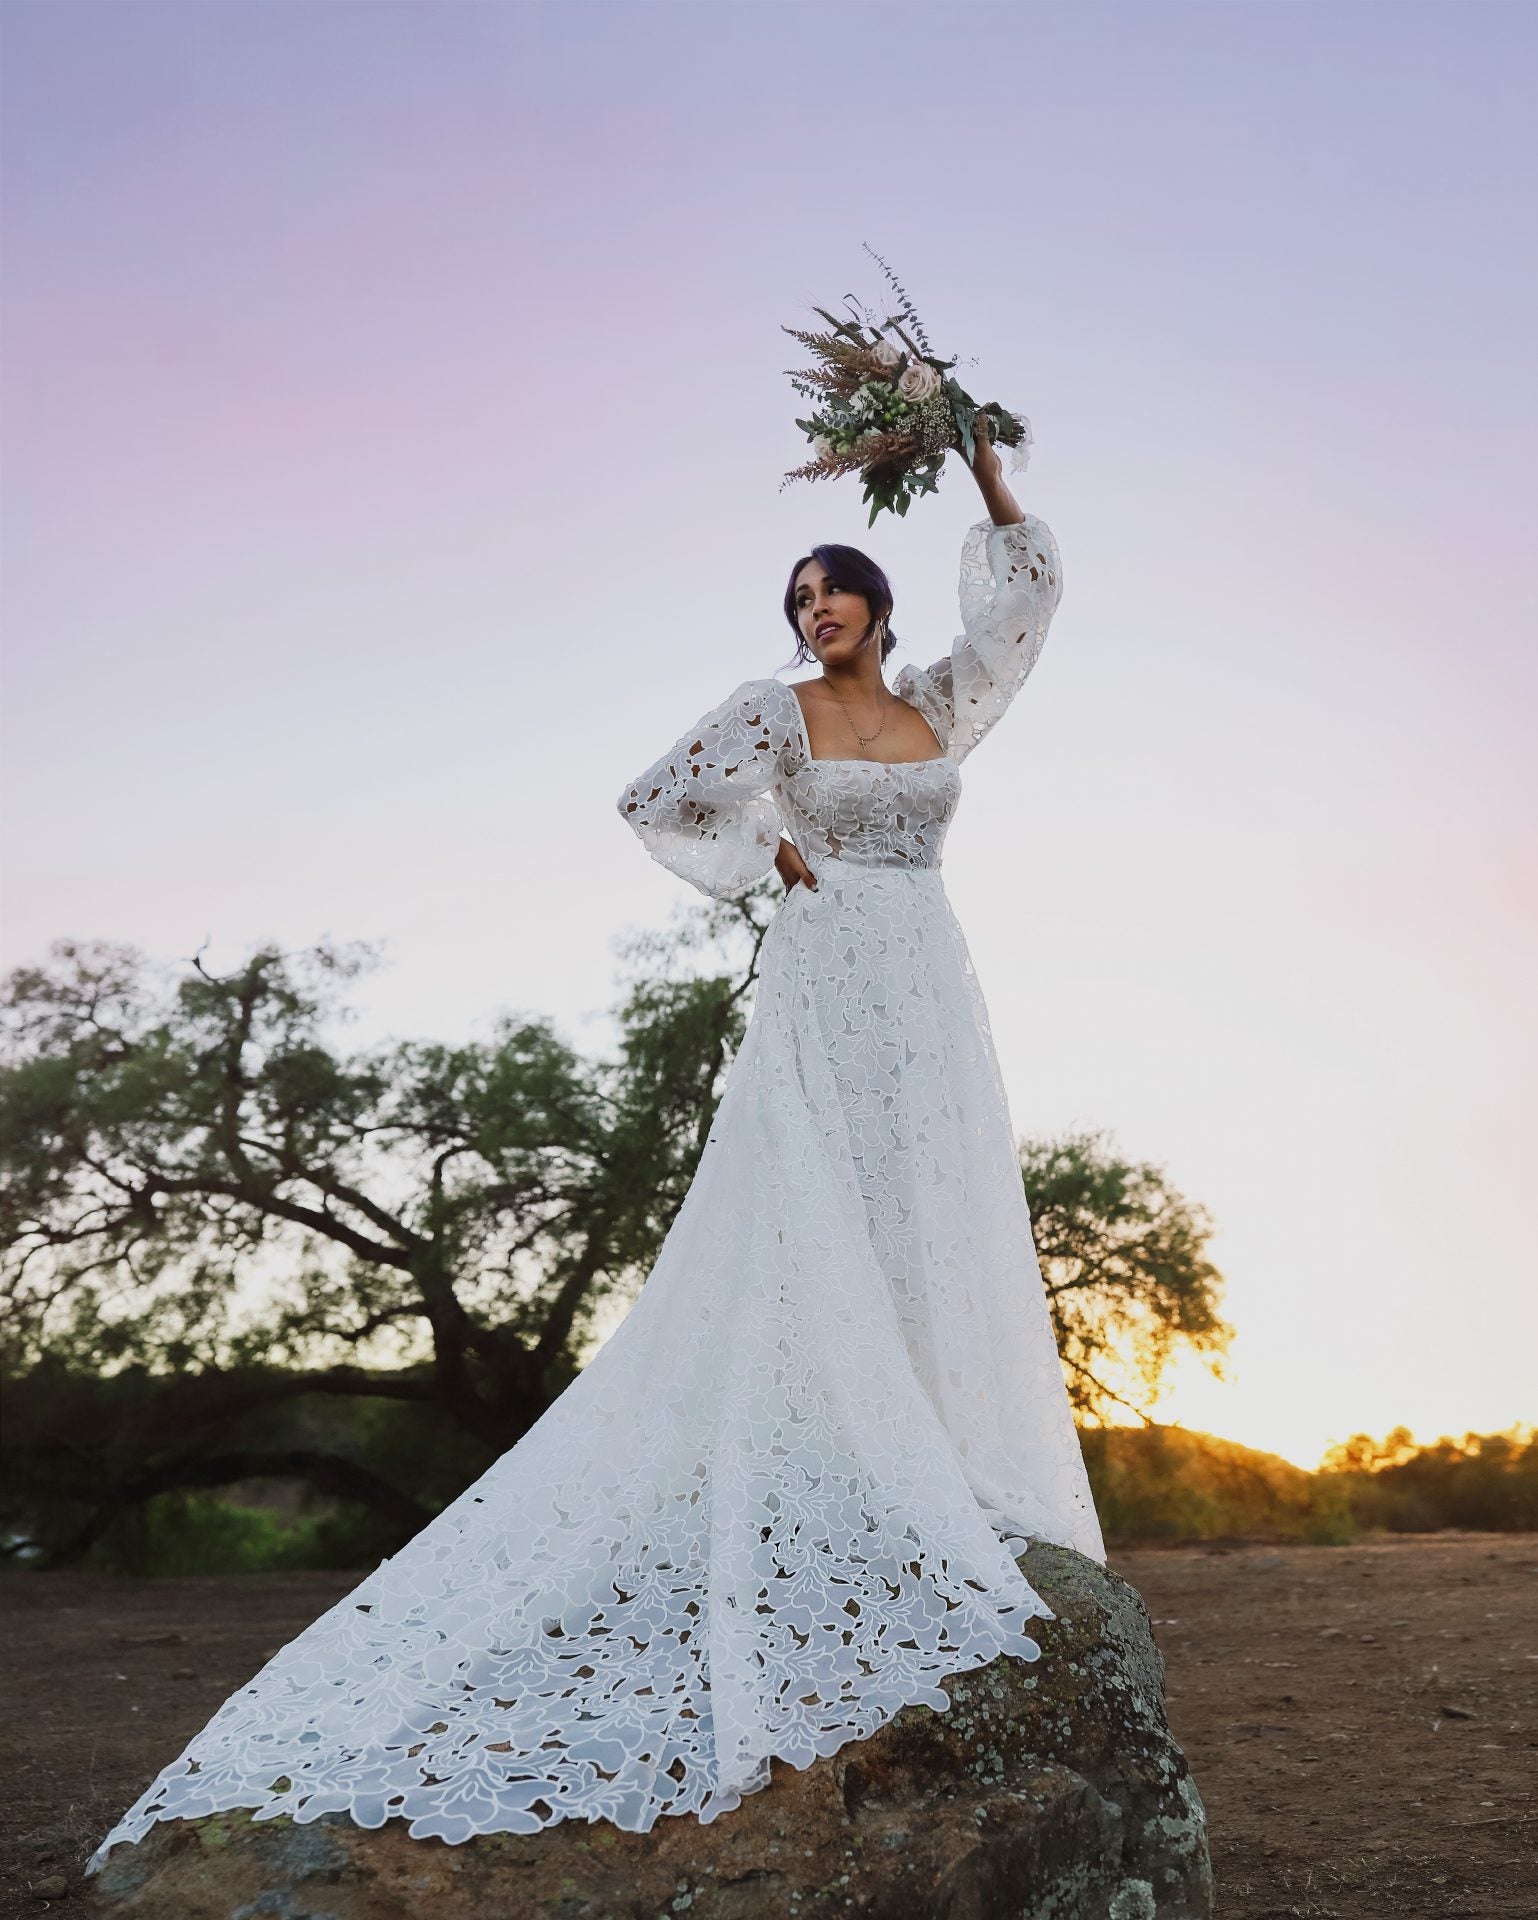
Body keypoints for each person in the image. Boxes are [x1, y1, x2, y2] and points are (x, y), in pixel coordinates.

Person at [87, 416, 1105, 1870]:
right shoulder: (771, 709)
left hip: (928, 979)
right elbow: (652, 797)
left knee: (933, 1202)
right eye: (796, 599)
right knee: (817, 1208)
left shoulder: (947, 697)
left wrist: (977, 457)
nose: (812, 612)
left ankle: (937, 1458)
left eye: (830, 591)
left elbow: (1029, 595)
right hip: (823, 975)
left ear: (876, 601)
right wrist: (769, 847)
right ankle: (831, 1461)